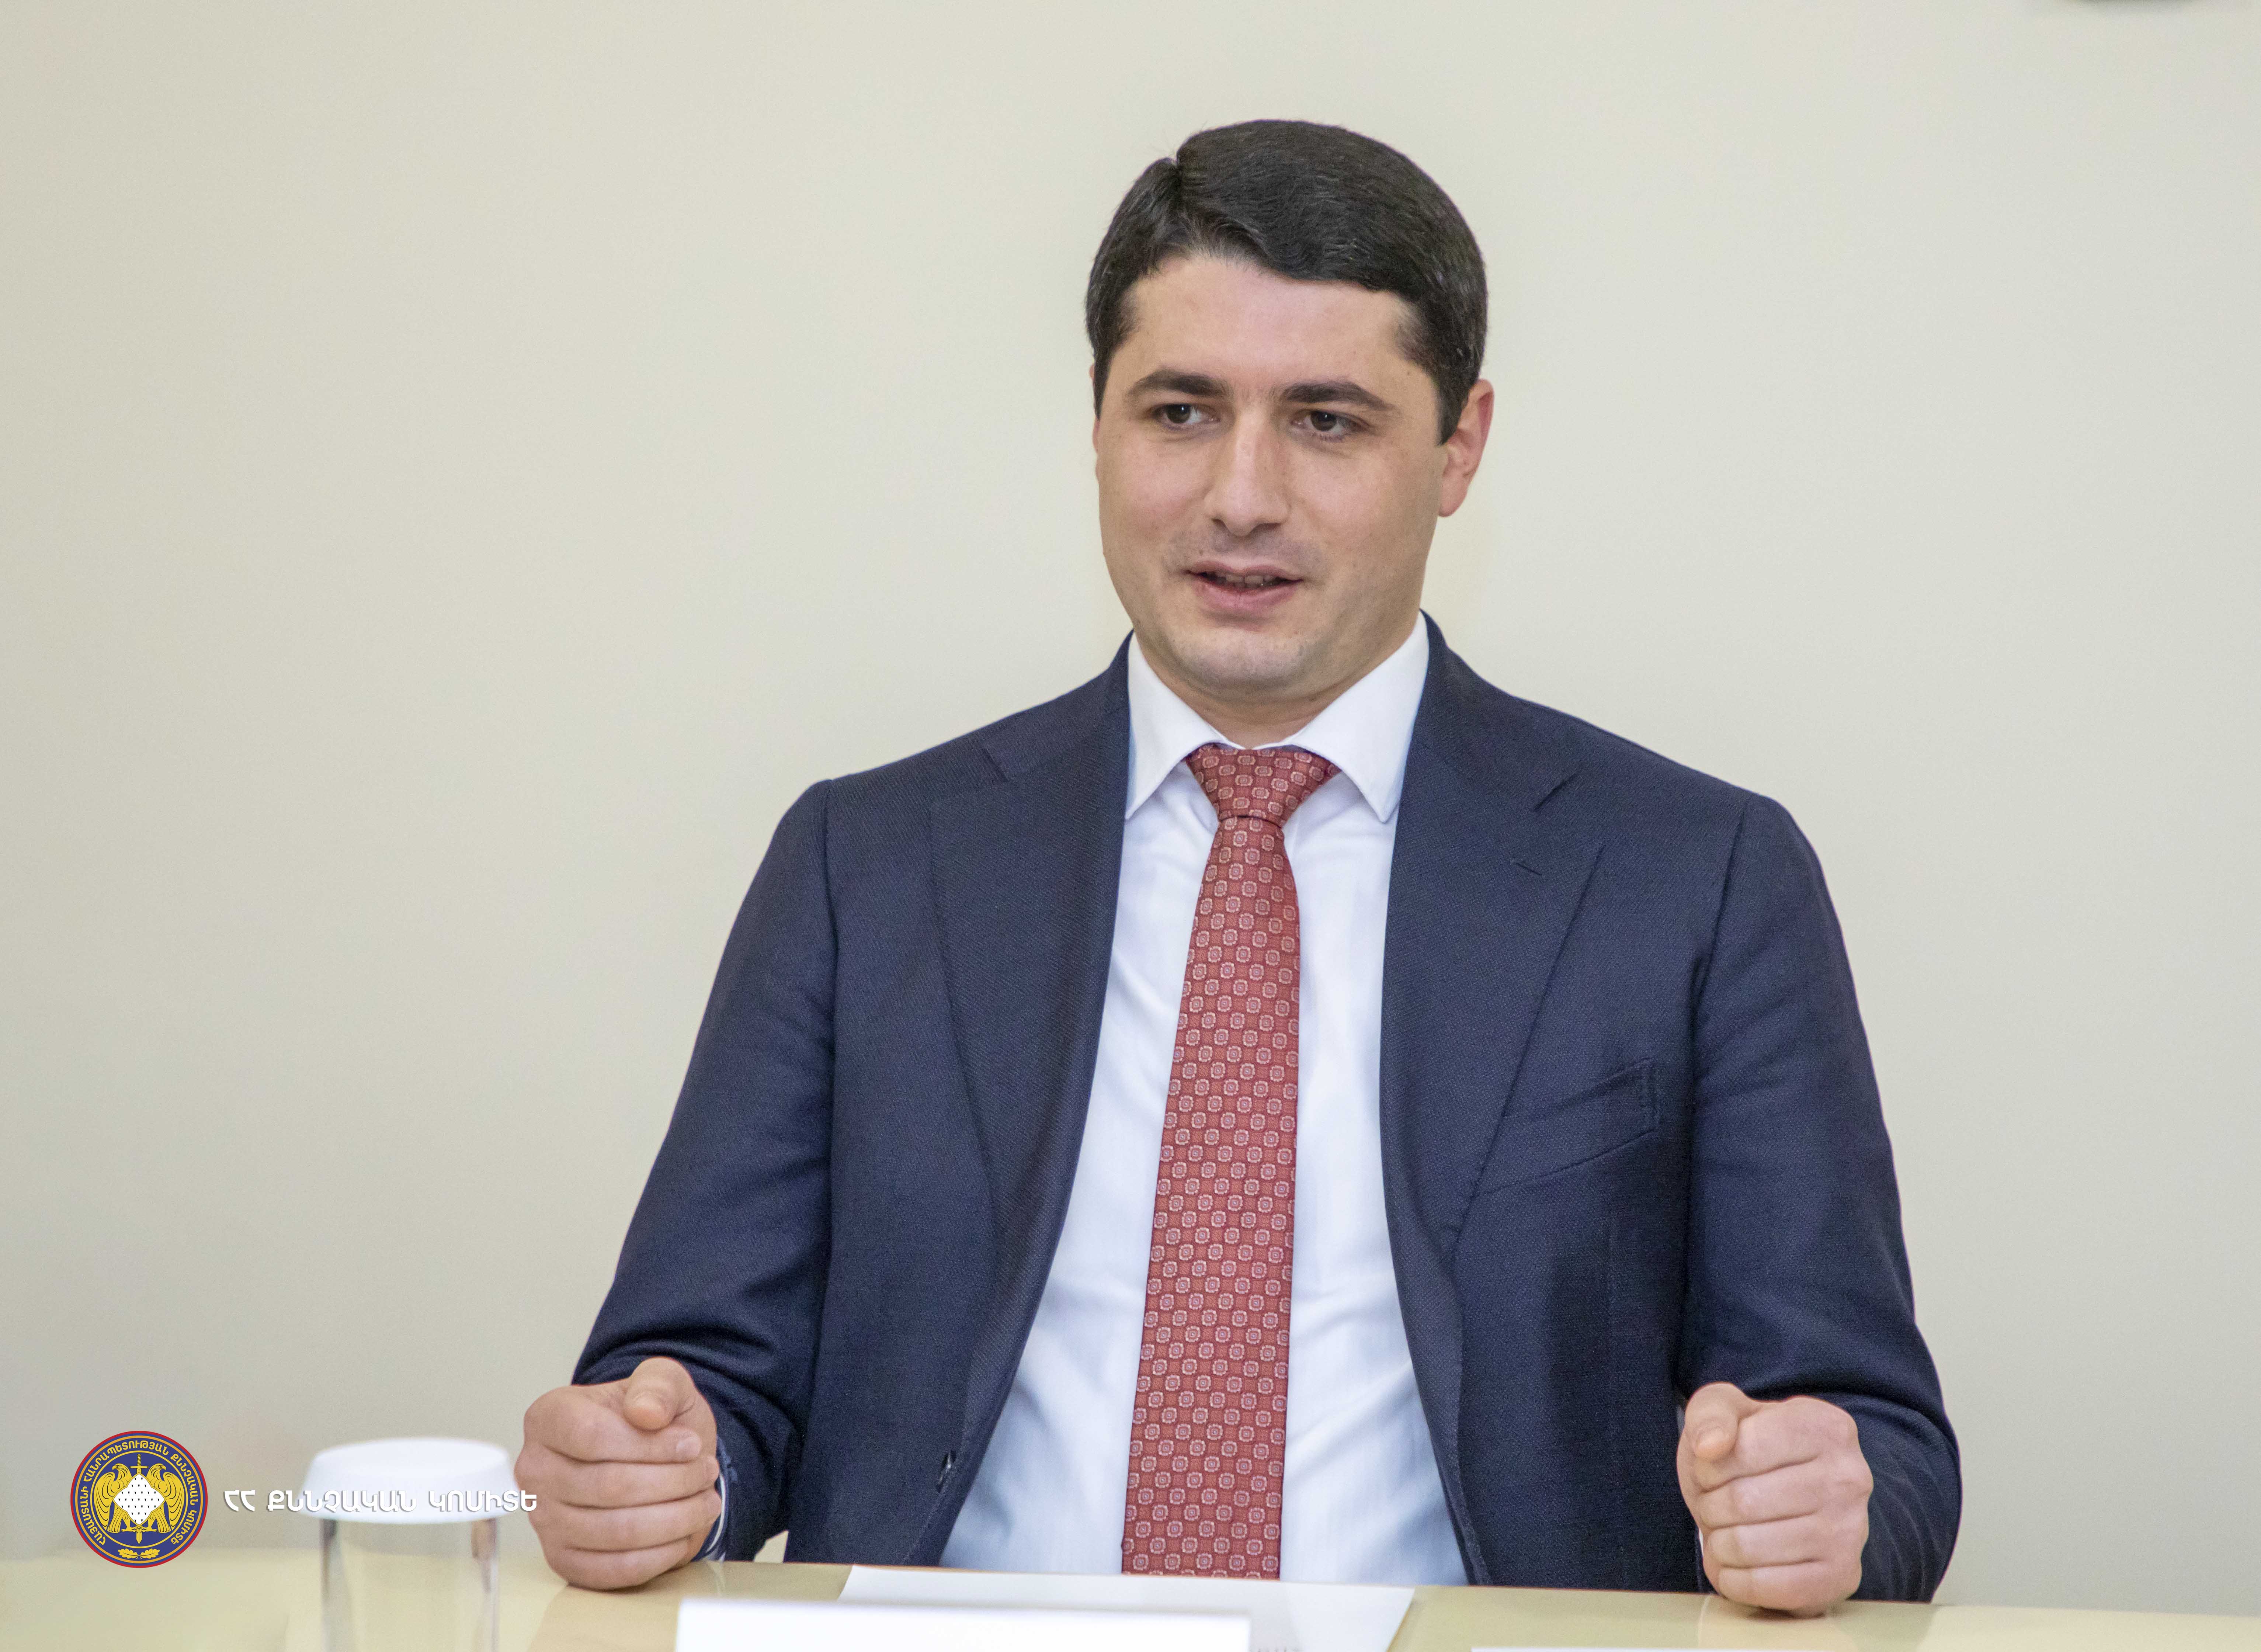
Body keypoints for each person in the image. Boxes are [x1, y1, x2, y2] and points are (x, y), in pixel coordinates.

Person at [515, 119, 1958, 1614]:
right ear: (1096, 421)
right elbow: (703, 1382)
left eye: (1327, 421)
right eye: (1181, 411)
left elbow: (1880, 1447)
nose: (1241, 496)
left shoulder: (1695, 879)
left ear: (1459, 447)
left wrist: (1815, 1503)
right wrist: (660, 1469)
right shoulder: (866, 864)